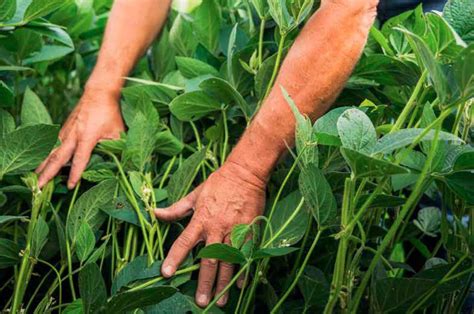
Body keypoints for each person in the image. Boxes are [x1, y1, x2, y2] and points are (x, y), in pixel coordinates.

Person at [36, 0, 445, 308]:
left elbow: (348, 9)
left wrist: (246, 171)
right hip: (314, 16)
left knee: (434, 200)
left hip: (425, 27)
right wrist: (102, 90)